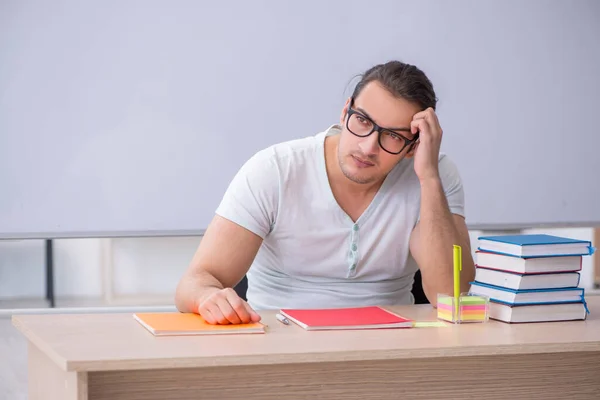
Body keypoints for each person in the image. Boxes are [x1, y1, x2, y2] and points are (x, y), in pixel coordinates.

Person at [175, 60, 475, 325]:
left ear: (414, 146)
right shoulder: (275, 170)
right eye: (363, 121)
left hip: (390, 347)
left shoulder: (434, 175)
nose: (368, 147)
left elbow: (449, 295)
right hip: (279, 342)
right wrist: (207, 298)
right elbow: (194, 282)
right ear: (346, 112)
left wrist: (429, 178)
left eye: (393, 137)